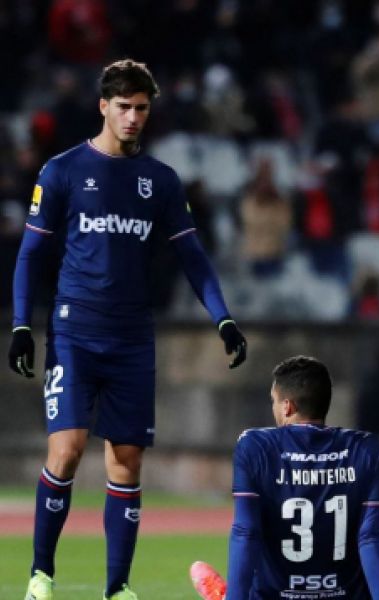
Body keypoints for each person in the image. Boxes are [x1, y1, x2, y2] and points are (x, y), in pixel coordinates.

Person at [8, 59, 248, 600]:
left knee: (127, 461)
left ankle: (117, 588)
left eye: (141, 108)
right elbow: (30, 254)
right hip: (74, 330)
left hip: (133, 337)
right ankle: (41, 576)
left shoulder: (160, 181)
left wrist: (223, 318)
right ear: (103, 106)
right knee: (67, 449)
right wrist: (22, 324)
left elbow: (193, 257)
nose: (133, 117)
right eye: (124, 107)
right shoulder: (62, 171)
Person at [187, 355, 379, 600]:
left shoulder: (255, 446)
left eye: (274, 401)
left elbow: (246, 532)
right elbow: (370, 535)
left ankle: (222, 596)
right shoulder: (366, 448)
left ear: (287, 406)